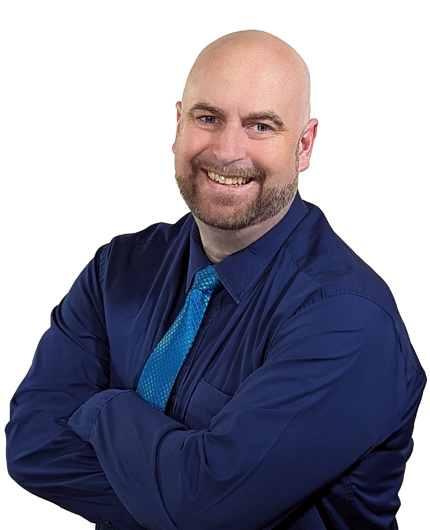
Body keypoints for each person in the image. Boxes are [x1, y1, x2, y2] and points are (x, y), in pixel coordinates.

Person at [5, 29, 426, 530]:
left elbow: (208, 513)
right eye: (208, 118)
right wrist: (184, 495)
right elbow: (30, 446)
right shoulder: (118, 268)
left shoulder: (346, 318)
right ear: (178, 124)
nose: (228, 150)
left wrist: (103, 409)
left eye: (262, 126)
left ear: (305, 145)